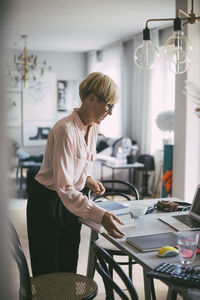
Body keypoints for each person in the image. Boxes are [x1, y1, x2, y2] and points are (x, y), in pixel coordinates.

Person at [27, 72, 125, 276]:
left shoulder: (94, 126)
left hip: (71, 203)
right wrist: (100, 215)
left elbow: (78, 165)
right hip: (48, 203)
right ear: (91, 98)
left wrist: (86, 178)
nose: (111, 112)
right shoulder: (65, 130)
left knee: (69, 268)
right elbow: (64, 188)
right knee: (48, 275)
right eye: (109, 105)